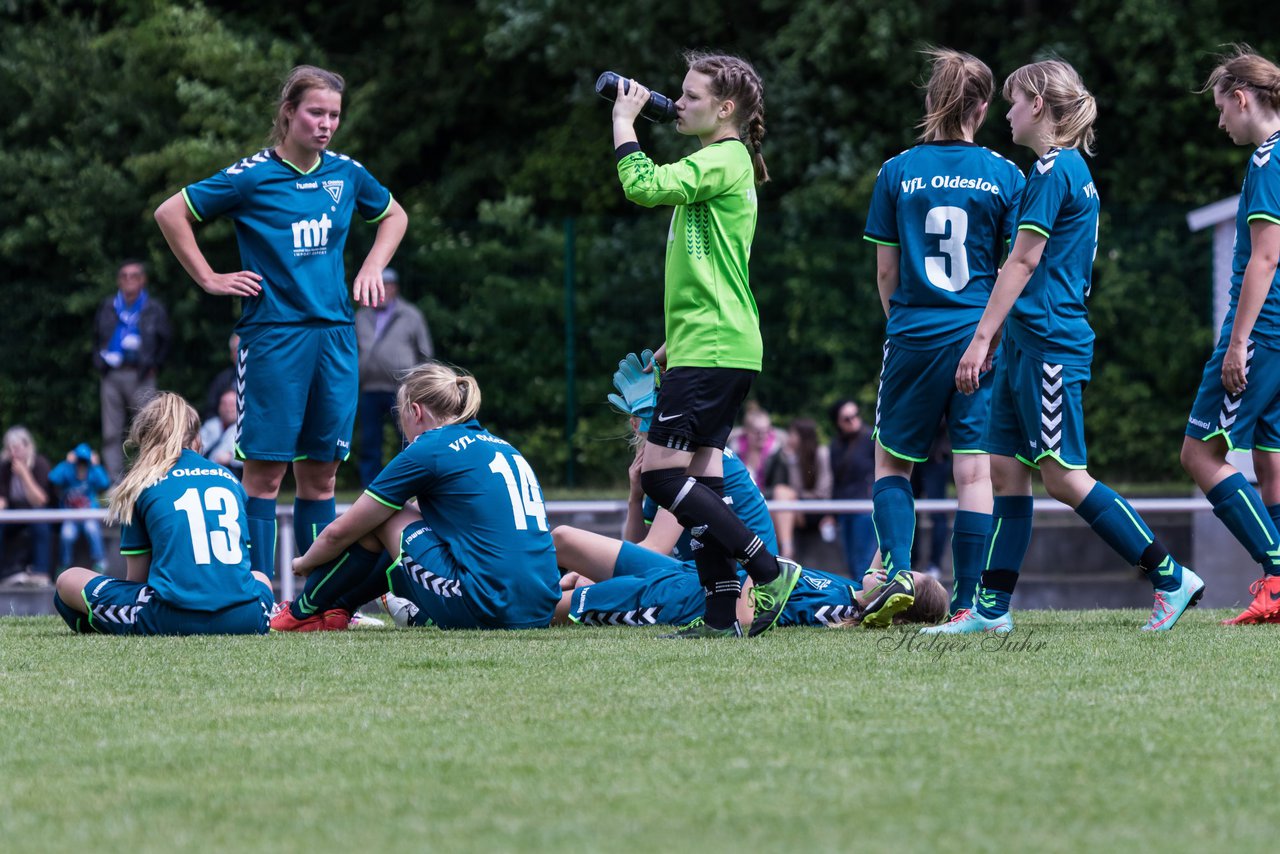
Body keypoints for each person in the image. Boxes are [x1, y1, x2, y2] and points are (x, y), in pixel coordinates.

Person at [938, 58, 1203, 634]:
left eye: (1013, 101)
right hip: (1025, 344)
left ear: (1037, 105)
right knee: (1007, 471)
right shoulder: (1051, 170)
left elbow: (1025, 260)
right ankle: (991, 610)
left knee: (1061, 474)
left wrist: (979, 341)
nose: (1005, 113)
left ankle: (1169, 576)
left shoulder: (1057, 169)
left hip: (1050, 341)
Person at [154, 65, 409, 587]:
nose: (326, 124)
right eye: (316, 112)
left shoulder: (346, 173)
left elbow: (395, 216)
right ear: (288, 112)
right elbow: (170, 212)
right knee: (266, 474)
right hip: (273, 336)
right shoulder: (251, 175)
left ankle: (320, 603)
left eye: (334, 115)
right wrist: (208, 277)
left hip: (336, 336)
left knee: (322, 475)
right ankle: (257, 596)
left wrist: (371, 266)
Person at [611, 51, 800, 638]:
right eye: (681, 93)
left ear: (724, 109)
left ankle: (768, 570)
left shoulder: (726, 157)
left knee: (664, 477)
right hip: (708, 345)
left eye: (692, 96)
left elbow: (643, 185)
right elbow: (708, 269)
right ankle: (720, 618)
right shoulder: (718, 161)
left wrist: (624, 123)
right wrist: (672, 344)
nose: (680, 102)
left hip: (715, 350)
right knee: (706, 481)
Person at [859, 48, 1025, 627]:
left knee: (892, 464)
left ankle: (898, 574)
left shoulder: (897, 170)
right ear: (982, 107)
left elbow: (887, 270)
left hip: (914, 331)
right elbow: (1014, 267)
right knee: (974, 471)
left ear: (930, 101)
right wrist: (988, 334)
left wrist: (901, 322)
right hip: (978, 335)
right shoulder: (1007, 174)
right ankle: (965, 603)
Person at [270, 362, 560, 632]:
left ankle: (300, 613)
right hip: (542, 607)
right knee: (402, 514)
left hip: (489, 607)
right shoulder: (503, 446)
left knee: (386, 514)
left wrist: (305, 563)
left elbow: (339, 533)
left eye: (400, 413)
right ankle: (338, 609)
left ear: (416, 411)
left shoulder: (429, 447)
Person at [1181, 47, 1280, 625]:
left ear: (1242, 99)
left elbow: (1264, 259)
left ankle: (1277, 571)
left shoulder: (1268, 160)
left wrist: (1239, 342)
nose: (1220, 122)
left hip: (1263, 332)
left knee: (1200, 452)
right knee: (1268, 457)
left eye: (1222, 109)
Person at [52, 393, 273, 636]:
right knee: (260, 577)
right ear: (196, 438)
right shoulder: (229, 478)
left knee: (68, 580)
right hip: (246, 617)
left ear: (146, 438)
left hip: (172, 617)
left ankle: (100, 625)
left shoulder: (142, 483)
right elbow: (241, 565)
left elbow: (137, 580)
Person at [355, 266, 434, 487]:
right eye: (379, 285)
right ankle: (369, 487)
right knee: (370, 440)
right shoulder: (361, 315)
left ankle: (411, 482)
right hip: (369, 386)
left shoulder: (410, 314)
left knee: (409, 438)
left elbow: (425, 352)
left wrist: (421, 385)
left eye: (387, 285)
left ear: (394, 288)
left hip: (403, 389)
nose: (383, 290)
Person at [94, 259, 171, 481]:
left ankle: (147, 475)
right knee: (111, 430)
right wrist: (100, 363)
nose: (129, 280)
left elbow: (166, 339)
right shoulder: (109, 306)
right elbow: (96, 336)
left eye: (134, 276)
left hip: (142, 374)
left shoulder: (152, 308)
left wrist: (154, 365)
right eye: (124, 276)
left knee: (147, 427)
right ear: (119, 280)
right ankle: (115, 481)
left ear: (142, 280)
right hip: (112, 374)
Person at [764, 417, 832, 560]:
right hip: (797, 504)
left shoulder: (821, 453)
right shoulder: (792, 456)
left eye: (792, 434)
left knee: (781, 493)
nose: (789, 438)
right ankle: (781, 551)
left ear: (803, 436)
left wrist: (798, 495)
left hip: (815, 507)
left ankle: (785, 551)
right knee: (777, 499)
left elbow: (823, 491)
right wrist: (791, 461)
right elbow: (793, 487)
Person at [828, 399, 877, 577]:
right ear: (838, 422)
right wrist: (831, 513)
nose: (854, 420)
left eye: (856, 415)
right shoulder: (836, 445)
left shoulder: (871, 437)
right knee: (850, 561)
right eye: (847, 418)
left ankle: (865, 603)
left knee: (863, 563)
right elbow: (837, 481)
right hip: (844, 507)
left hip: (865, 507)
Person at [0, 427, 54, 585]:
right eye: (9, 448)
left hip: (36, 511)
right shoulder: (4, 467)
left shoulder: (40, 464)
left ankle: (41, 572)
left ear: (27, 446)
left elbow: (40, 500)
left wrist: (24, 475)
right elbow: (2, 499)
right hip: (14, 513)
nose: (12, 453)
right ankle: (4, 573)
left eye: (16, 448)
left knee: (40, 522)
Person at [48, 443, 111, 574]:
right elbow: (53, 478)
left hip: (89, 515)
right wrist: (66, 463)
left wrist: (96, 465)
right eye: (79, 461)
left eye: (84, 462)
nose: (81, 465)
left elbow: (105, 483)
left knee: (92, 529)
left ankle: (101, 562)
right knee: (67, 534)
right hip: (71, 516)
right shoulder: (68, 471)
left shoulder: (92, 472)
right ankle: (63, 565)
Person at [729, 402, 781, 488]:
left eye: (766, 431)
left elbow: (778, 488)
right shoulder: (733, 451)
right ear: (746, 431)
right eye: (757, 432)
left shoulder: (776, 452)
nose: (762, 436)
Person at [199, 388, 241, 477]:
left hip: (230, 475)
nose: (228, 408)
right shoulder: (210, 425)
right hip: (203, 470)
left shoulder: (245, 430)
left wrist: (231, 458)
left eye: (231, 404)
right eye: (224, 404)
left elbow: (250, 459)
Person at [203, 332, 240, 420]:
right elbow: (210, 409)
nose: (241, 353)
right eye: (237, 349)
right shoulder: (222, 379)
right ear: (232, 354)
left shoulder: (261, 378)